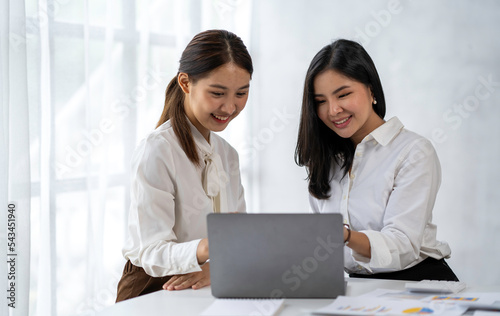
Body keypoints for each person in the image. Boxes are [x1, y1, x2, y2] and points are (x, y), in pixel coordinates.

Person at [295, 39, 459, 281]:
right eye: (321, 101)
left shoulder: (413, 151)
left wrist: (346, 236)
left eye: (343, 94)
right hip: (361, 288)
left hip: (418, 283)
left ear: (371, 89)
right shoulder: (325, 160)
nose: (332, 110)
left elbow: (402, 244)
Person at [116, 29, 252, 302]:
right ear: (186, 83)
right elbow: (151, 251)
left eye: (241, 93)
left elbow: (240, 236)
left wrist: (215, 265)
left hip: (206, 279)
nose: (229, 107)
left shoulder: (228, 154)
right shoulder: (157, 150)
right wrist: (208, 248)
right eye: (217, 93)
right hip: (153, 286)